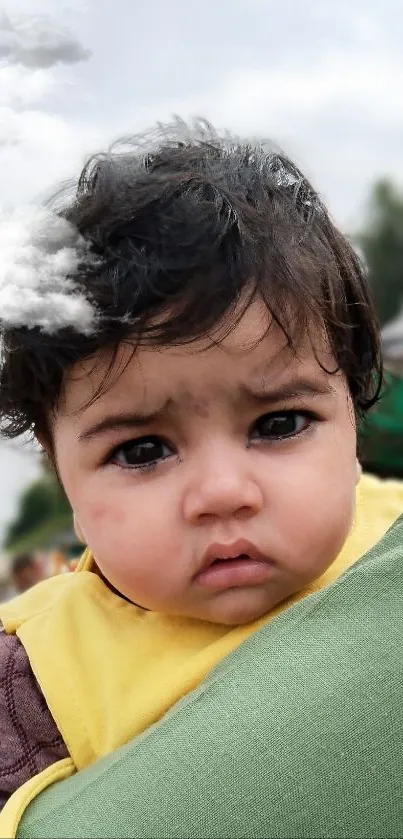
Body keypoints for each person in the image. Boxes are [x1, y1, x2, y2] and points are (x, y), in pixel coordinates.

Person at [0, 120, 402, 837]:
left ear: (352, 411)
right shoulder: (29, 682)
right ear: (60, 472)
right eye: (143, 449)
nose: (223, 491)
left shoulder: (390, 532)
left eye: (278, 425)